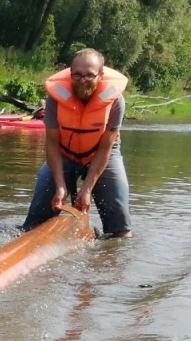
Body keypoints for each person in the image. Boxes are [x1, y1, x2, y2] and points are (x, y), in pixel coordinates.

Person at [20, 48, 132, 239]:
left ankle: (112, 255)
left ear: (101, 75)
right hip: (64, 152)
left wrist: (86, 189)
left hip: (103, 153)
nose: (82, 80)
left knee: (121, 230)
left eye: (89, 75)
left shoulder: (116, 101)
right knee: (34, 223)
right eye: (77, 75)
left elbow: (106, 147)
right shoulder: (56, 97)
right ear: (70, 72)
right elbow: (52, 144)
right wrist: (61, 187)